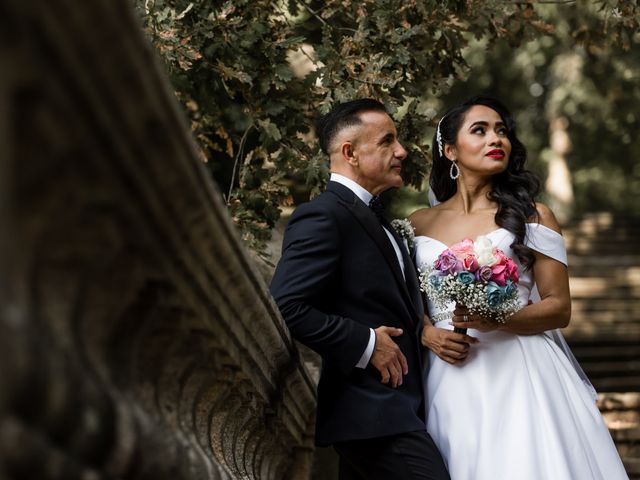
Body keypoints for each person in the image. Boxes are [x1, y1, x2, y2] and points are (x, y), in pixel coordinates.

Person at [410, 95, 628, 479]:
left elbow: (559, 309)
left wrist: (496, 318)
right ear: (449, 150)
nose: (497, 139)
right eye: (480, 130)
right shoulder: (417, 223)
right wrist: (427, 333)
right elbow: (407, 300)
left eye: (502, 131)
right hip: (446, 372)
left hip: (520, 369)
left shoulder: (533, 215)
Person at [270, 99, 450, 480]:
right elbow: (286, 305)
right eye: (387, 141)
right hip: (370, 413)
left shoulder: (378, 219)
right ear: (350, 153)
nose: (401, 151)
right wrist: (367, 343)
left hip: (401, 409)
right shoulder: (322, 215)